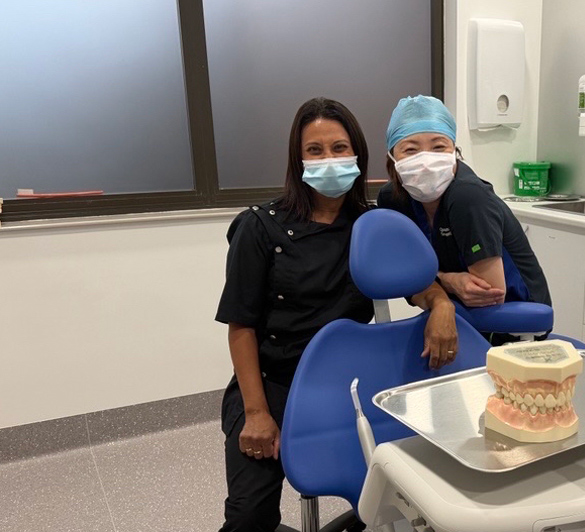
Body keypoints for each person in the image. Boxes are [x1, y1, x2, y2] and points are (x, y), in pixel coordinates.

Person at [214, 97, 456, 532]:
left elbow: (418, 282)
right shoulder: (260, 227)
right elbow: (241, 327)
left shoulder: (370, 224)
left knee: (399, 492)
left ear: (357, 154)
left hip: (348, 387)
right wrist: (256, 413)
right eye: (315, 150)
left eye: (340, 148)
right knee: (250, 516)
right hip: (274, 385)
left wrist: (441, 304)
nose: (329, 159)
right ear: (298, 160)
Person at [377, 95, 552, 340]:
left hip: (512, 324)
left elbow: (489, 294)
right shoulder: (393, 200)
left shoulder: (468, 197)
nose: (426, 161)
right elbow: (405, 274)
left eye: (439, 147)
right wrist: (448, 282)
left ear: (454, 150)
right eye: (411, 150)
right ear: (392, 158)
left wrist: (434, 284)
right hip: (451, 311)